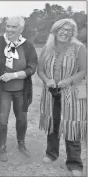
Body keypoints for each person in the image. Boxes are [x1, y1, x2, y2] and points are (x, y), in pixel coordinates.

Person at [0, 16, 38, 162]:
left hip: (21, 90)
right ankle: (2, 147)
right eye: (8, 26)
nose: (9, 29)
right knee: (1, 119)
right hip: (2, 90)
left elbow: (32, 68)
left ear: (21, 29)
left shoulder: (28, 45)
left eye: (13, 27)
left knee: (22, 118)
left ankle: (21, 144)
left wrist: (14, 75)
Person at [37, 18, 87, 177]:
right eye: (62, 29)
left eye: (69, 30)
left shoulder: (79, 48)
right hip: (51, 92)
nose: (65, 32)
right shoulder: (47, 47)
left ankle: (74, 163)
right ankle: (51, 154)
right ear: (55, 30)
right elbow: (41, 70)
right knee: (53, 123)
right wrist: (47, 80)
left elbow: (83, 71)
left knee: (72, 125)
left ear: (73, 33)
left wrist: (68, 81)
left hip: (73, 93)